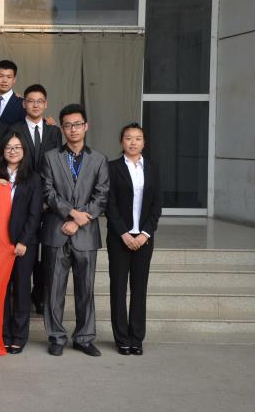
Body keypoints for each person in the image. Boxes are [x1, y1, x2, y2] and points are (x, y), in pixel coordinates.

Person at [41, 103, 109, 357]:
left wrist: (79, 220)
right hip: (56, 231)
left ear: (86, 126)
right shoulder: (50, 157)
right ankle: (56, 337)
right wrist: (72, 213)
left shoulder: (99, 159)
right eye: (68, 125)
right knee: (54, 289)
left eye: (77, 124)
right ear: (62, 128)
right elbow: (48, 192)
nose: (73, 129)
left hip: (86, 234)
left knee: (85, 290)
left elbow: (101, 196)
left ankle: (84, 337)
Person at [105, 123, 162, 356]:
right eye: (128, 138)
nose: (133, 142)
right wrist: (124, 233)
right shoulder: (112, 168)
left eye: (138, 138)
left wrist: (145, 233)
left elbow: (157, 204)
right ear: (121, 142)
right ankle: (121, 338)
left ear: (144, 142)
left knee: (139, 289)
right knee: (118, 288)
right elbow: (109, 204)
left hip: (144, 239)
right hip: (119, 238)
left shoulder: (153, 168)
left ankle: (136, 338)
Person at [11, 84, 62, 314]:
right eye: (30, 101)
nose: (35, 105)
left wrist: (48, 198)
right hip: (23, 201)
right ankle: (20, 296)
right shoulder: (14, 128)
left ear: (46, 104)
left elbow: (57, 167)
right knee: (25, 249)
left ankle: (40, 296)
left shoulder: (53, 131)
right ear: (24, 104)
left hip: (48, 202)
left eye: (39, 101)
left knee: (46, 251)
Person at [0, 132, 43, 354]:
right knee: (2, 290)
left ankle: (19, 336)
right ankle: (4, 334)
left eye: (17, 147)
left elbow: (35, 214)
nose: (12, 151)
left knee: (22, 289)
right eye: (8, 147)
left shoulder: (33, 178)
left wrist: (24, 240)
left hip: (24, 244)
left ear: (24, 151)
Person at [0, 60, 26, 125]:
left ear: (14, 80)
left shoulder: (22, 104)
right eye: (1, 76)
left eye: (9, 77)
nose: (4, 80)